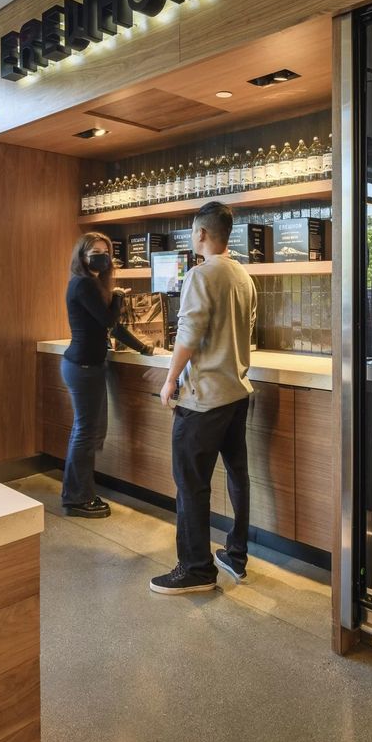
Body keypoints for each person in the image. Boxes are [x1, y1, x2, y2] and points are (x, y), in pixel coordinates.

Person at [150, 202, 257, 594]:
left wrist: (170, 379)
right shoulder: (244, 276)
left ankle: (196, 568)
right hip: (236, 394)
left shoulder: (201, 274)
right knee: (236, 475)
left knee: (191, 482)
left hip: (204, 400)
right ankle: (236, 554)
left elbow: (189, 333)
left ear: (201, 234)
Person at [62, 231, 158, 517]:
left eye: (106, 251)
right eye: (95, 251)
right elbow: (108, 320)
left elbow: (112, 328)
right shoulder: (83, 284)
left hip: (85, 366)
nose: (102, 256)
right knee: (86, 433)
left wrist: (142, 347)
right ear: (82, 255)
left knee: (88, 432)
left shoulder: (88, 284)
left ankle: (76, 493)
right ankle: (78, 498)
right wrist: (116, 298)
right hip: (83, 367)